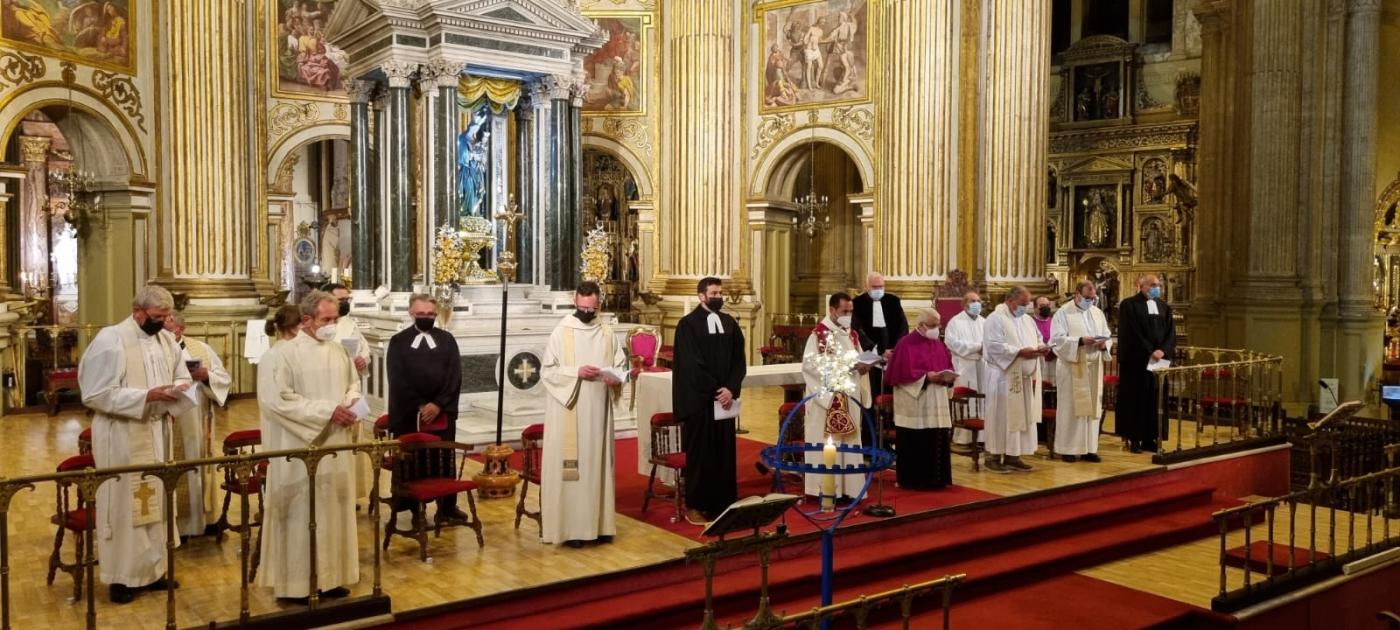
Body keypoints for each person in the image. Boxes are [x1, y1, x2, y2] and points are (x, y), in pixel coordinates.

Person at [77, 285, 192, 604]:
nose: (163, 323)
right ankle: (122, 578)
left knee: (157, 502)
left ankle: (154, 571)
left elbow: (182, 375)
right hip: (123, 435)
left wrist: (178, 390)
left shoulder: (166, 339)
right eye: (157, 317)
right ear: (137, 312)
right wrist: (146, 396)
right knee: (126, 505)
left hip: (157, 432)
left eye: (166, 317)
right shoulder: (111, 340)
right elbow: (95, 393)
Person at [257, 291, 362, 602]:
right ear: (306, 320)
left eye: (335, 319)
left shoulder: (339, 352)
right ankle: (295, 584)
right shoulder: (281, 355)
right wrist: (327, 411)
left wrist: (351, 403)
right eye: (326, 320)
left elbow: (352, 384)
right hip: (297, 447)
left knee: (333, 511)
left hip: (337, 444)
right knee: (300, 514)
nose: (332, 325)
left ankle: (331, 577)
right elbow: (276, 401)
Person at [540, 282, 626, 547]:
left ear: (598, 303)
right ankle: (571, 530)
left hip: (599, 411)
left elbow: (620, 364)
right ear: (574, 301)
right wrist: (575, 372)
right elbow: (547, 371)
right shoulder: (561, 331)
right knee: (573, 470)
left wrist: (616, 379)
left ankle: (599, 526)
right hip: (571, 408)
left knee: (597, 465)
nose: (588, 312)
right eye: (583, 307)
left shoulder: (607, 332)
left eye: (592, 308)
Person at [385, 294, 470, 522]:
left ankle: (447, 508)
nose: (426, 318)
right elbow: (397, 379)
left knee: (444, 458)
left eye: (431, 314)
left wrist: (439, 404)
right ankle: (413, 507)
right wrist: (421, 405)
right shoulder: (398, 341)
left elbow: (455, 376)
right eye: (421, 314)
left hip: (441, 411)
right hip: (410, 412)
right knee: (412, 462)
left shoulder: (447, 340)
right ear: (411, 313)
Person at [672, 277, 747, 524]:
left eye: (719, 293)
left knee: (724, 454)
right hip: (700, 403)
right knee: (701, 455)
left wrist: (731, 389)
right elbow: (692, 366)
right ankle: (696, 504)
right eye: (713, 293)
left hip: (724, 401)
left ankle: (724, 502)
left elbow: (739, 361)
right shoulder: (687, 325)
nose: (718, 297)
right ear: (701, 296)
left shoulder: (729, 323)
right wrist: (718, 390)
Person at [163, 312, 232, 539]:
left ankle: (205, 520)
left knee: (201, 465)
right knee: (175, 467)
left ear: (179, 330)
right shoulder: (155, 352)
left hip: (198, 417)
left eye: (168, 326)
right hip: (170, 419)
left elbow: (223, 378)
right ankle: (176, 526)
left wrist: (205, 376)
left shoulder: (200, 348)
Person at [801, 292, 871, 501]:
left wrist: (863, 366)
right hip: (828, 400)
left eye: (850, 311)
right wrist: (848, 366)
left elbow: (856, 360)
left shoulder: (852, 335)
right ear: (832, 310)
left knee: (849, 443)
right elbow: (811, 367)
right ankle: (824, 490)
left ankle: (850, 489)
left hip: (849, 397)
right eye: (844, 311)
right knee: (827, 445)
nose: (848, 315)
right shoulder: (818, 335)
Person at [883, 309, 958, 489]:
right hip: (915, 401)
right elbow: (900, 373)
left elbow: (947, 365)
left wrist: (948, 378)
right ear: (921, 325)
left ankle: (938, 480)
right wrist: (926, 378)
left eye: (938, 325)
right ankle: (914, 481)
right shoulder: (906, 344)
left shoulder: (939, 344)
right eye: (932, 325)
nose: (936, 329)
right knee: (917, 441)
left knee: (936, 437)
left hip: (937, 398)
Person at [982, 287, 1049, 474]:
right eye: (1022, 304)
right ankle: (992, 457)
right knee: (1001, 417)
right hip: (1003, 377)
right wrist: (1019, 352)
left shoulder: (1026, 319)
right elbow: (993, 345)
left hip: (1023, 377)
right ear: (1009, 300)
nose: (1025, 308)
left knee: (1020, 417)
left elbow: (1038, 338)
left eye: (1027, 304)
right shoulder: (995, 319)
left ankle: (1013, 455)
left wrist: (1041, 347)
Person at [1050, 282, 1113, 462]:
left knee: (1092, 408)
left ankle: (1089, 448)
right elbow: (1057, 340)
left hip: (1093, 367)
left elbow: (1107, 333)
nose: (1091, 301)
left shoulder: (1097, 312)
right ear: (1077, 294)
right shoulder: (1063, 312)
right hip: (1073, 367)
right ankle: (1068, 448)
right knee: (1072, 407)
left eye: (1093, 298)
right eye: (1087, 298)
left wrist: (1104, 343)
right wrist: (1079, 341)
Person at [1115, 274, 1176, 453]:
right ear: (1140, 286)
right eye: (1153, 285)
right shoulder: (1129, 305)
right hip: (1137, 360)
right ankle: (1134, 438)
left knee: (1156, 398)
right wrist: (1150, 351)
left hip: (1160, 361)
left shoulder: (1164, 307)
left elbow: (1171, 332)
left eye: (1158, 285)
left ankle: (1152, 438)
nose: (1157, 287)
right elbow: (1132, 332)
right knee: (1137, 398)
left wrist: (1163, 350)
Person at [323, 283, 372, 501]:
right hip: (330, 394)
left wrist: (363, 359)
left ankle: (350, 494)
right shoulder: (322, 328)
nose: (345, 304)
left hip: (351, 391)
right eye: (340, 300)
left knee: (352, 449)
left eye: (346, 300)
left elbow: (364, 350)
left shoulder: (351, 324)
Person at [944, 291, 985, 445]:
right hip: (964, 366)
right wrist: (977, 347)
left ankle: (982, 437)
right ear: (964, 304)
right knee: (966, 400)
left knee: (983, 398)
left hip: (982, 365)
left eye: (979, 301)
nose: (977, 304)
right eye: (973, 301)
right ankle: (963, 436)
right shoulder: (955, 322)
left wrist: (983, 349)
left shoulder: (984, 321)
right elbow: (952, 343)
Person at [1032, 295, 1056, 385]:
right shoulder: (1030, 322)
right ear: (1034, 308)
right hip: (1037, 361)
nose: (1045, 308)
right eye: (1042, 306)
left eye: (1047, 305)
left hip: (1053, 360)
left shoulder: (1055, 321)